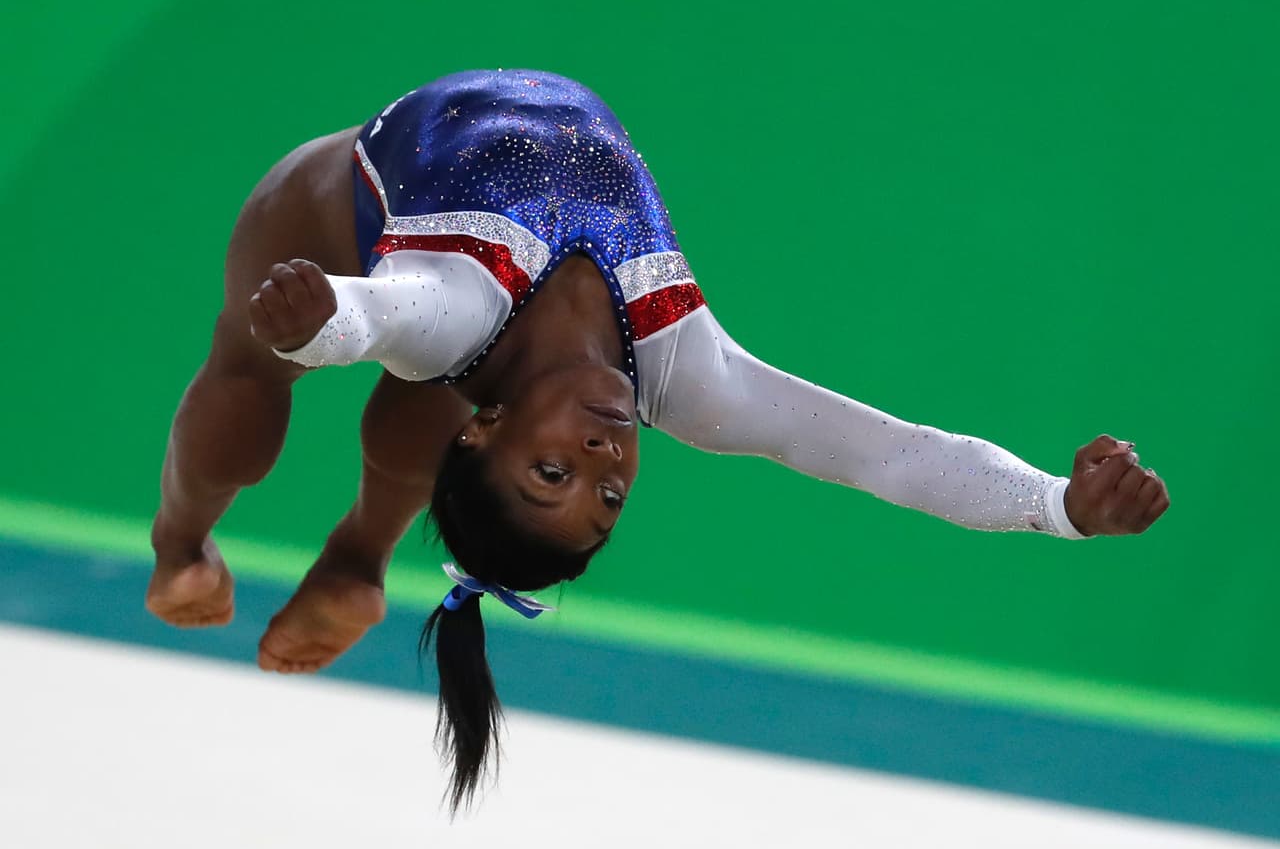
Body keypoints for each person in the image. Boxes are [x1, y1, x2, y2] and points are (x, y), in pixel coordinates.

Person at [147, 69, 1170, 811]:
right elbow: (885, 454)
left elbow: (380, 310)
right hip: (397, 274)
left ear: (486, 434)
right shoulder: (687, 372)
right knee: (394, 402)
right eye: (607, 494)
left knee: (253, 382)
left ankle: (184, 546)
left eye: (555, 473)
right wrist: (1056, 507)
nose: (604, 462)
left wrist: (316, 320)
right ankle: (319, 558)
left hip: (326, 215)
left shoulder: (451, 309)